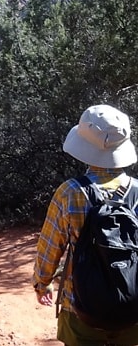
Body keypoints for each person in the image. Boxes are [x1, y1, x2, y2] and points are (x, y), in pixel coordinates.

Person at [33, 104, 138, 345]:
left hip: (80, 305)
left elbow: (50, 247)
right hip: (133, 308)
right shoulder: (137, 191)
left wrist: (43, 284)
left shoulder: (70, 192)